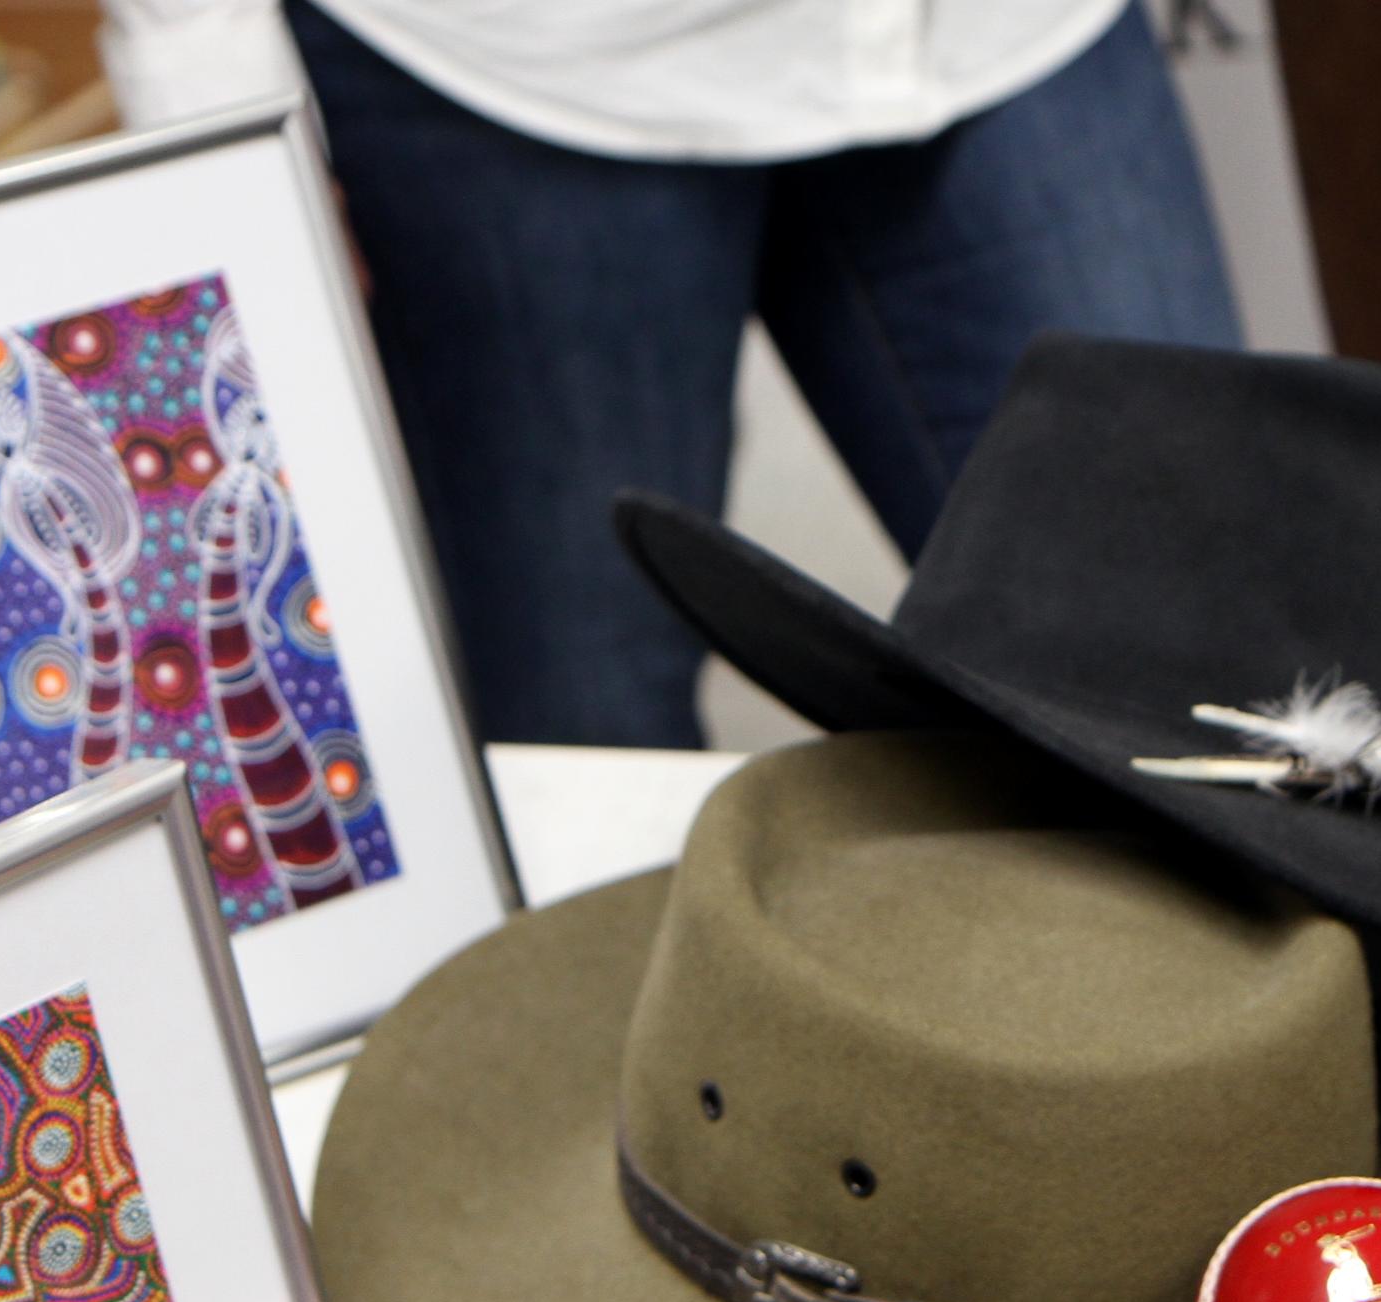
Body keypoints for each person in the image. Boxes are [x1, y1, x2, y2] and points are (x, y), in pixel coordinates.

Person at [279, 0, 1244, 747]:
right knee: (588, 739)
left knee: (1209, 685)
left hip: (1010, 35)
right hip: (500, 71)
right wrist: (223, 79)